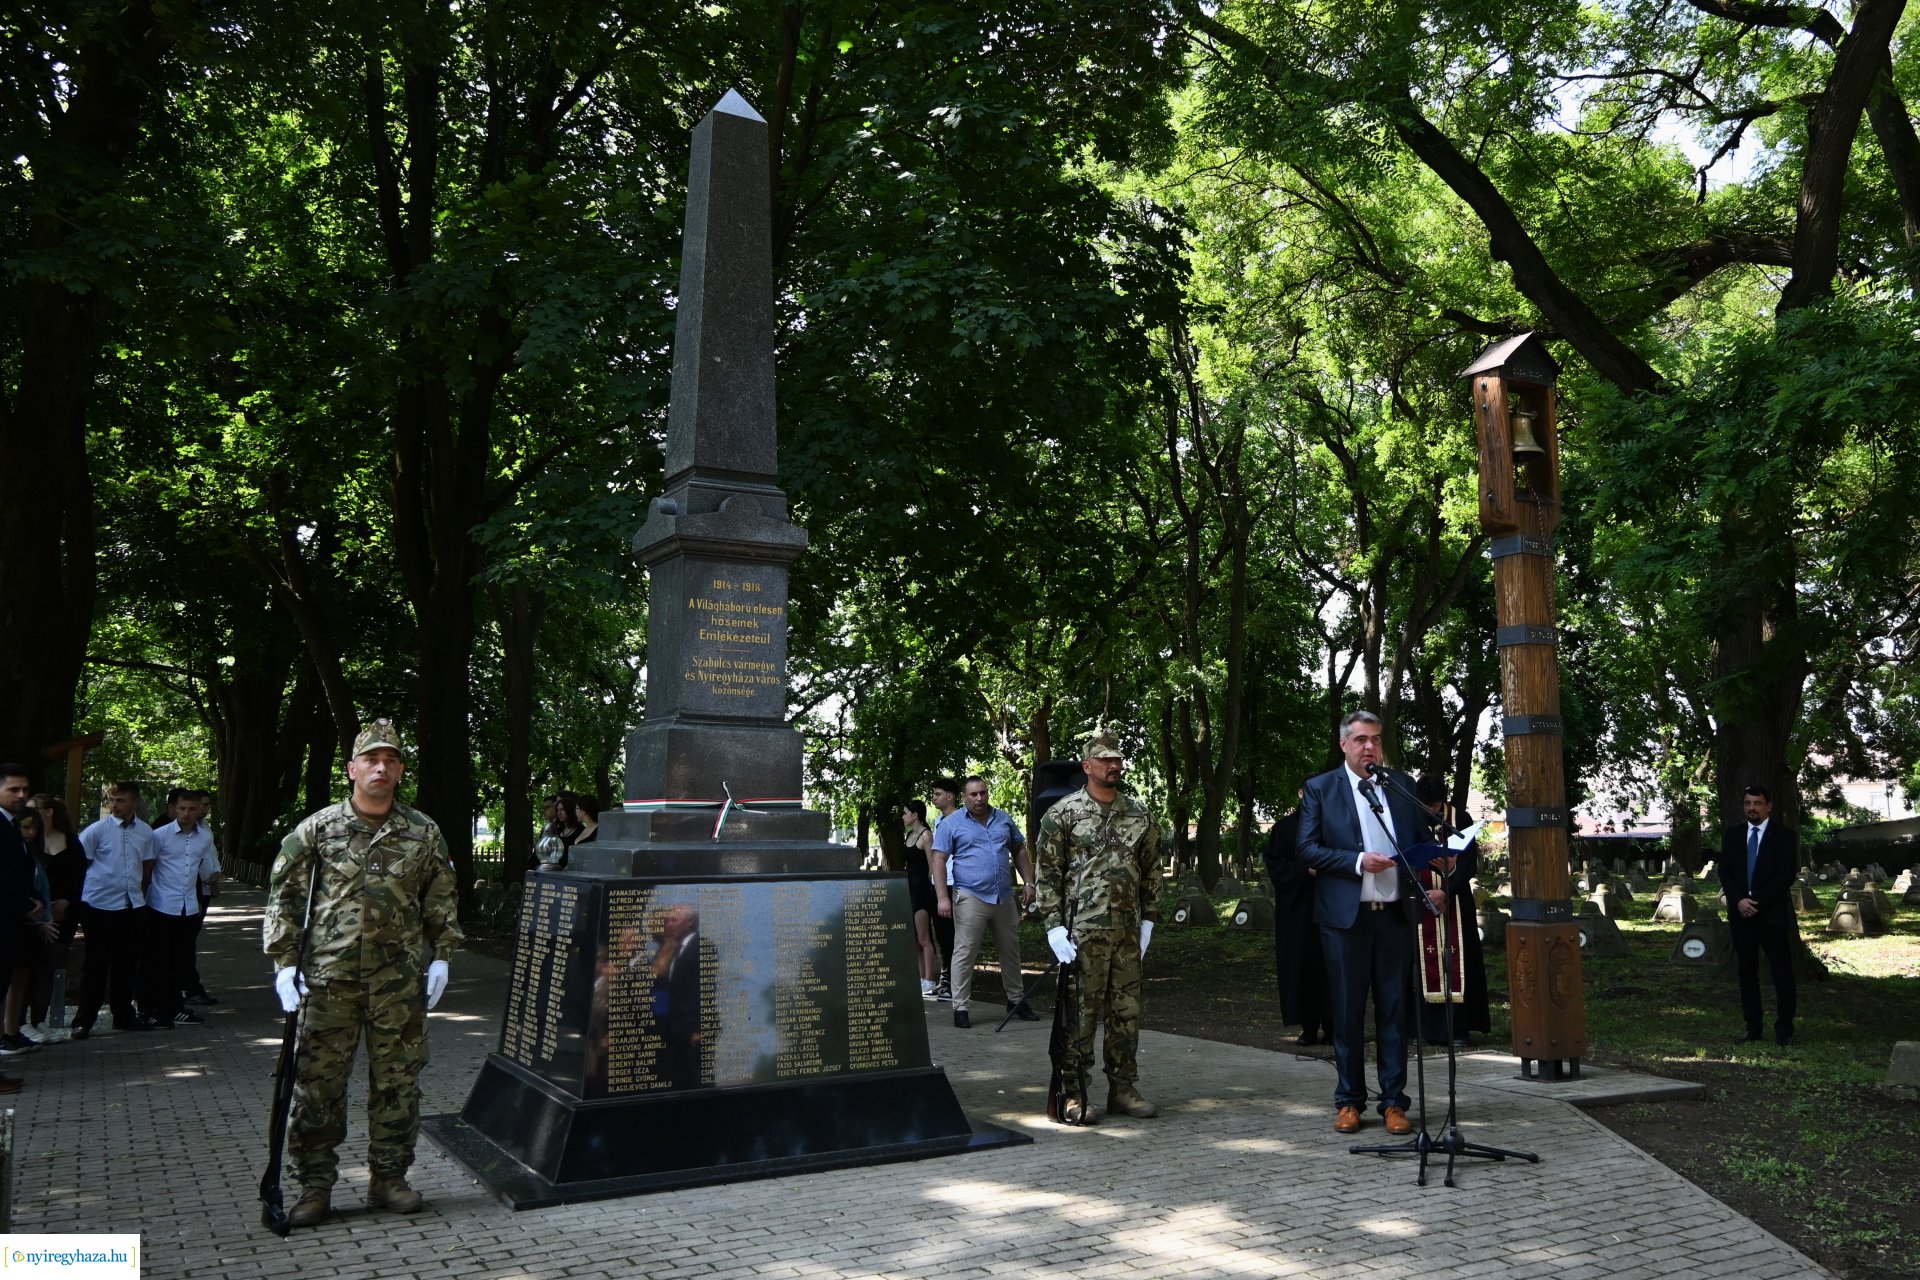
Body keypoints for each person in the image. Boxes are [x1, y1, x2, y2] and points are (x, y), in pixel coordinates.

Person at [264, 722, 462, 1227]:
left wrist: (441, 955)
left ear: (399, 770)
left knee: (398, 1083)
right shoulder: (317, 829)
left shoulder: (423, 830)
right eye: (371, 759)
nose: (381, 767)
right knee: (317, 1087)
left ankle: (389, 1178)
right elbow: (284, 898)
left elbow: (440, 898)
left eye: (391, 760)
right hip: (328, 982)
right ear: (351, 769)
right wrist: (284, 964)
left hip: (397, 983)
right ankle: (314, 1185)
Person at [1297, 711, 1428, 1136]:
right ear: (1344, 745)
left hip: (1394, 917)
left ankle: (1394, 1102)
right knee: (1348, 1012)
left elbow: (1415, 843)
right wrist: (1357, 862)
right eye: (1360, 740)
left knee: (1394, 1010)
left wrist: (1431, 877)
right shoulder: (1321, 789)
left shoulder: (1400, 785)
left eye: (1375, 739)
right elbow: (1307, 849)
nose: (1369, 747)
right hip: (1346, 920)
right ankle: (1350, 1100)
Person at [1034, 728, 1163, 1123]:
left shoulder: (1139, 814)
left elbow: (1151, 872)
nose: (1113, 766)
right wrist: (1054, 926)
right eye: (1105, 760)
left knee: (1126, 1015)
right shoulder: (1063, 814)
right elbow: (1047, 874)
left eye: (1117, 760)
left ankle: (1123, 1089)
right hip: (1081, 934)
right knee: (1080, 1016)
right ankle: (1074, 1093)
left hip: (1125, 932)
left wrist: (1149, 921)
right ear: (1087, 766)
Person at [931, 776, 1037, 1029]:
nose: (979, 799)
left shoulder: (1003, 818)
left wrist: (1029, 882)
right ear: (964, 797)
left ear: (987, 793)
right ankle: (961, 1007)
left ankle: (1016, 1000)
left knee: (1011, 950)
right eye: (973, 795)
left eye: (983, 793)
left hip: (1003, 895)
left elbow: (1019, 849)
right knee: (965, 952)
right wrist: (942, 898)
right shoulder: (952, 823)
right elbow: (938, 859)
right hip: (970, 895)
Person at [73, 781, 159, 1037]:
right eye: (112, 800)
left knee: (127, 963)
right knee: (95, 965)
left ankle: (123, 1016)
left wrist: (140, 896)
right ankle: (83, 1021)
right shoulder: (95, 831)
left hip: (131, 906)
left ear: (135, 802)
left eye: (120, 800)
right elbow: (81, 865)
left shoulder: (146, 832)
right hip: (98, 905)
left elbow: (146, 868)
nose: (114, 805)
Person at [1412, 775, 1490, 1047]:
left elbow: (1469, 863)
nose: (1431, 811)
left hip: (1455, 899)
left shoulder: (1461, 818)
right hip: (1421, 898)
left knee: (1459, 962)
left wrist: (1446, 889)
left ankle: (1458, 1029)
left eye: (1434, 806)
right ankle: (1426, 1030)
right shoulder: (1410, 816)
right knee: (1421, 963)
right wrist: (1427, 893)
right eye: (1426, 806)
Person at [1721, 784, 1798, 1047]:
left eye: (1757, 803)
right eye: (1747, 803)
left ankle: (1784, 1029)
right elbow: (1725, 872)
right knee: (1747, 971)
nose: (1751, 808)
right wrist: (1739, 900)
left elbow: (1785, 875)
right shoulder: (1733, 835)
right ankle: (1752, 1027)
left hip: (1771, 915)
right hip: (1741, 915)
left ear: (1768, 806)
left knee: (1781, 972)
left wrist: (1758, 901)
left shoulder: (1784, 836)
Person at [144, 790, 221, 1028]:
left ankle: (175, 1007)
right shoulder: (159, 836)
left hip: (187, 907)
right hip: (160, 904)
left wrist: (210, 887)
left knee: (180, 960)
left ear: (200, 810)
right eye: (182, 808)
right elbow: (147, 869)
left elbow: (207, 870)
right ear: (175, 809)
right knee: (157, 960)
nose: (186, 814)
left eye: (191, 809)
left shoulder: (204, 837)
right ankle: (150, 1009)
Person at [1262, 787, 1332, 1047]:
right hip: (1298, 909)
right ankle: (1309, 1027)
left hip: (1331, 905)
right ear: (1301, 793)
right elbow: (1275, 863)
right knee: (1302, 965)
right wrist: (1305, 870)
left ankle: (1334, 1026)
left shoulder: (1334, 824)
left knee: (1331, 965)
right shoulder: (1285, 828)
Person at [25, 795, 81, 1037]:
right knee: (26, 970)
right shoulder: (27, 841)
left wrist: (67, 902)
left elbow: (79, 877)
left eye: (33, 809)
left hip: (63, 914)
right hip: (34, 914)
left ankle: (39, 1020)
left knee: (48, 968)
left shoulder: (71, 842)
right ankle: (18, 1023)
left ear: (49, 812)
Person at [926, 779, 961, 1000]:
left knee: (955, 936)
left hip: (955, 884)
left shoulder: (961, 820)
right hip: (939, 885)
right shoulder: (939, 821)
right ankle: (946, 980)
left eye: (938, 794)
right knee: (942, 936)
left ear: (951, 796)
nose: (934, 797)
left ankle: (954, 984)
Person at [902, 800, 940, 998]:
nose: (903, 816)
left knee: (924, 938)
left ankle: (929, 979)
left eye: (905, 813)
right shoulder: (909, 835)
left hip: (922, 893)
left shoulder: (926, 835)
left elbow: (932, 866)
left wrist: (936, 891)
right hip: (909, 891)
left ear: (915, 815)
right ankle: (920, 978)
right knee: (914, 939)